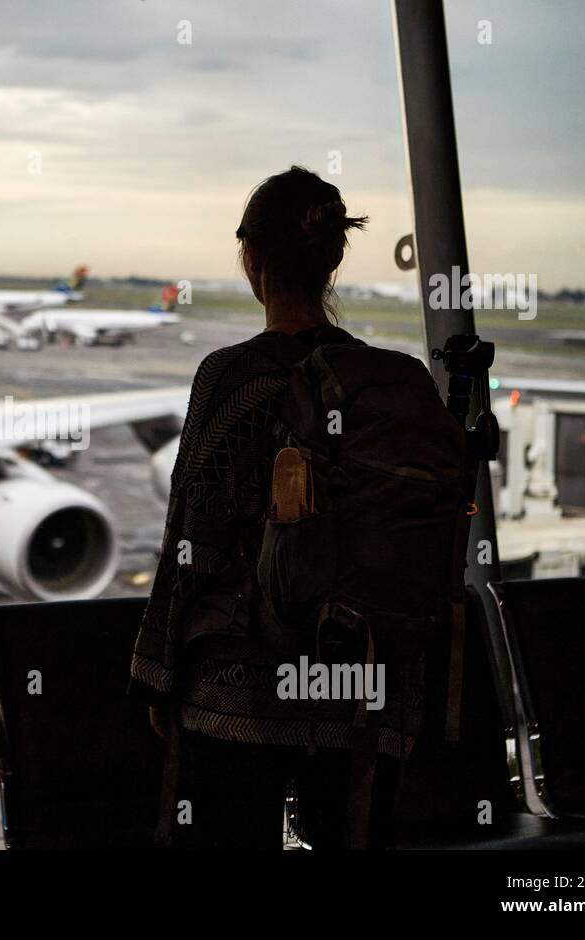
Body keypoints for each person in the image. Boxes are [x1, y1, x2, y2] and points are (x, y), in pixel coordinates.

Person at [129, 165, 420, 850]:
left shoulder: (231, 377)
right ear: (335, 258)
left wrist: (157, 674)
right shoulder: (391, 382)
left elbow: (188, 542)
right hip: (363, 686)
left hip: (244, 692)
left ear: (251, 259)